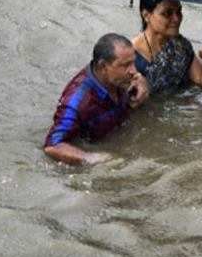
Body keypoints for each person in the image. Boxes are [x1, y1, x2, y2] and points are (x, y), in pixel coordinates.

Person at [44, 33, 150, 165]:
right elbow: (52, 146)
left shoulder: (123, 79)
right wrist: (91, 158)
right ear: (103, 67)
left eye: (133, 62)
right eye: (126, 65)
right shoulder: (78, 101)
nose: (134, 71)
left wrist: (143, 83)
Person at [132, 0, 202, 93]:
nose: (176, 18)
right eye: (167, 13)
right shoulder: (132, 56)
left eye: (178, 11)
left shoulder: (181, 45)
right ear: (146, 15)